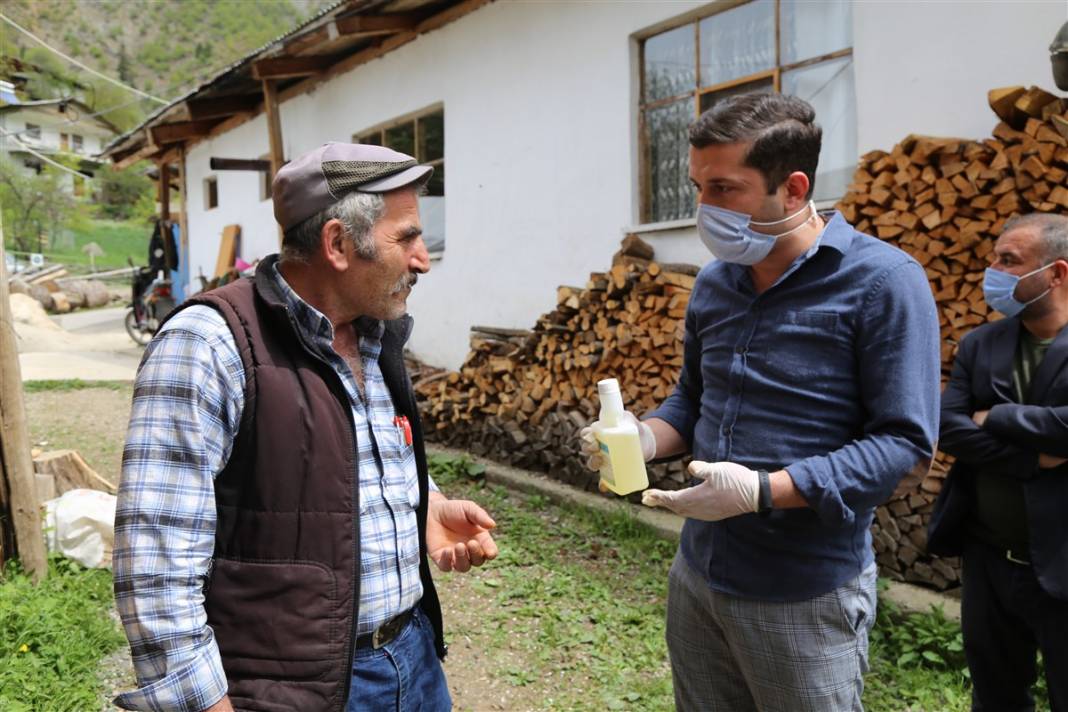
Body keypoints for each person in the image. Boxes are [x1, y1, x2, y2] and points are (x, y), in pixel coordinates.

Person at [579, 93, 940, 710]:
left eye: (724, 188)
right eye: (698, 187)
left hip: (803, 592)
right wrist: (644, 437)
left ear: (794, 188)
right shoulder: (716, 282)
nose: (705, 209)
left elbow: (904, 448)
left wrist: (763, 492)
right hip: (698, 575)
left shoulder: (884, 283)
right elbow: (691, 401)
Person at [114, 143, 498, 712]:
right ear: (338, 244)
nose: (423, 259)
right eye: (407, 237)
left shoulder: (375, 333)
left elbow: (346, 454)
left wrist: (424, 504)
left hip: (413, 660)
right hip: (292, 688)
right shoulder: (208, 344)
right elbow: (155, 564)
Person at [929, 212, 1068, 711]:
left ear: (1057, 273)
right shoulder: (980, 344)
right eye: (994, 258)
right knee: (996, 697)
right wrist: (1036, 460)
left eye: (1009, 261)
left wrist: (999, 416)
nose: (993, 270)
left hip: (1062, 564)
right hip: (989, 560)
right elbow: (947, 426)